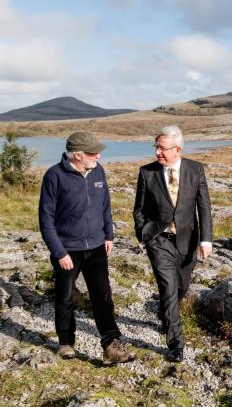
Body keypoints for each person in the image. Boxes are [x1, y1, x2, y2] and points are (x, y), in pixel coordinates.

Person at [38, 131, 135, 365]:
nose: (98, 155)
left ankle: (110, 345)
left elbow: (105, 205)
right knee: (65, 296)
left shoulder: (98, 171)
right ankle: (65, 342)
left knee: (102, 295)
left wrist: (109, 234)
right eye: (93, 152)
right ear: (77, 155)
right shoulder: (54, 176)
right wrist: (59, 252)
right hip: (67, 249)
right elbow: (46, 218)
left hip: (96, 246)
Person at [133, 125, 213, 363]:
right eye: (155, 147)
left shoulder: (195, 170)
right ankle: (175, 344)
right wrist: (144, 232)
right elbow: (139, 208)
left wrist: (206, 239)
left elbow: (204, 207)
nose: (157, 152)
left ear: (177, 149)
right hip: (158, 241)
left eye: (162, 148)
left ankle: (166, 315)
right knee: (167, 290)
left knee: (181, 287)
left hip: (187, 241)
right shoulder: (147, 172)